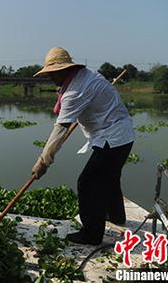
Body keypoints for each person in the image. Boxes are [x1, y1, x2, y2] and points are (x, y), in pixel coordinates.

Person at [31, 47, 134, 245]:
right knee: (110, 178)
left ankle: (91, 234)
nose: (51, 77)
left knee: (88, 183)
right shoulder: (87, 76)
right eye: (49, 73)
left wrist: (43, 162)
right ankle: (116, 217)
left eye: (53, 73)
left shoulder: (76, 91)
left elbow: (60, 130)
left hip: (112, 137)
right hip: (122, 134)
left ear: (64, 70)